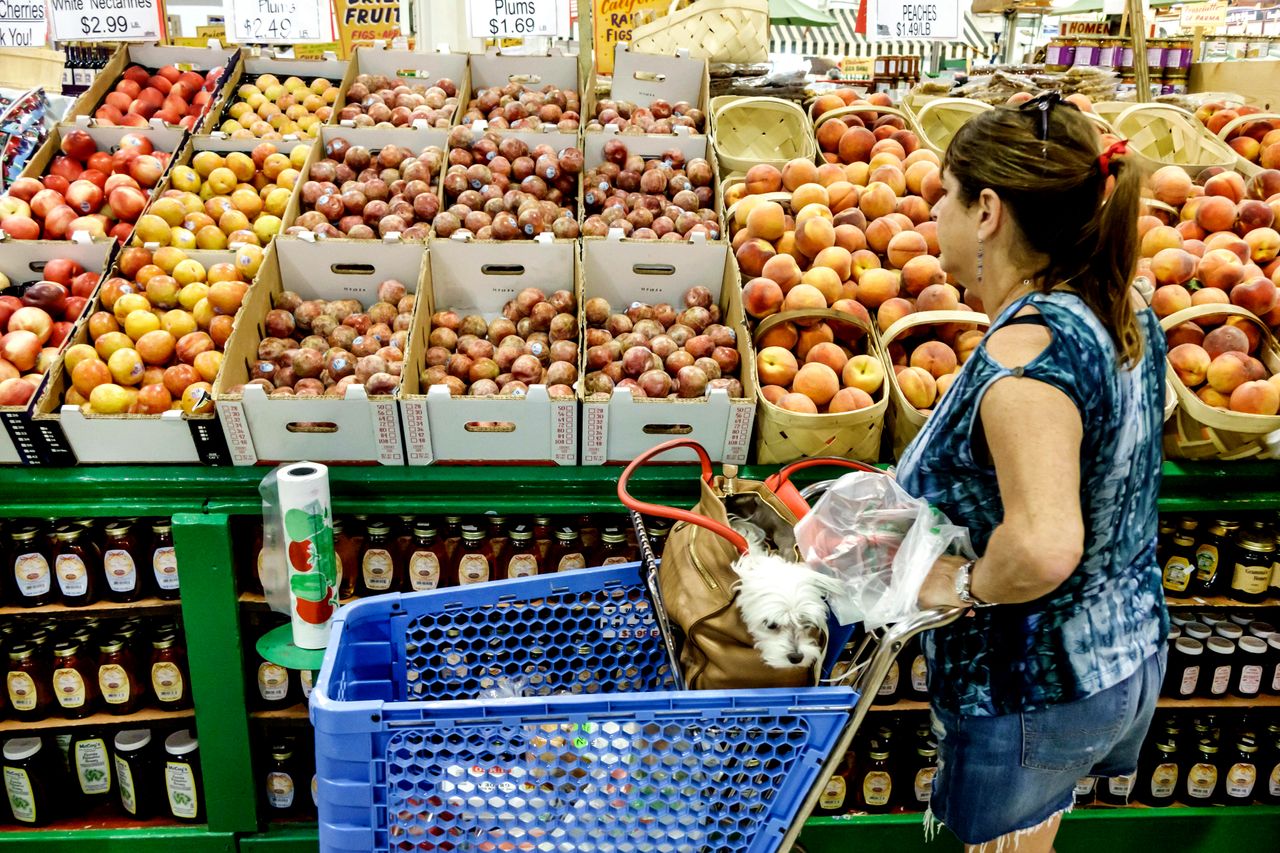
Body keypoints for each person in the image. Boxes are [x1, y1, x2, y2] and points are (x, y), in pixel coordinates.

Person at [896, 93, 1169, 852]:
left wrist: (959, 583)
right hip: (1119, 651)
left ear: (987, 211)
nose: (935, 221)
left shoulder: (1024, 365)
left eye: (942, 199)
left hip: (1031, 687)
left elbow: (1046, 544)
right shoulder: (1118, 304)